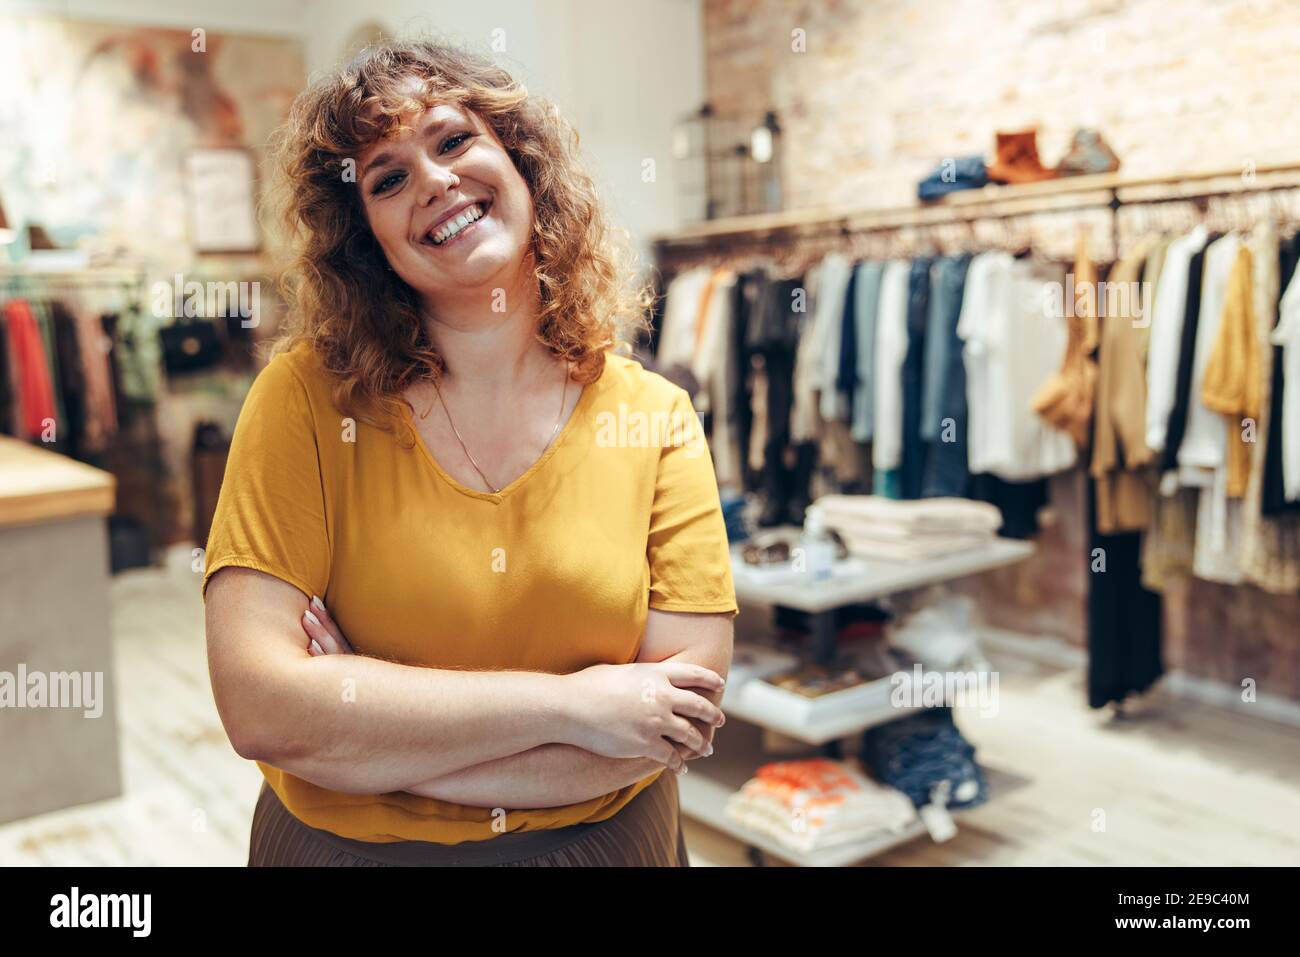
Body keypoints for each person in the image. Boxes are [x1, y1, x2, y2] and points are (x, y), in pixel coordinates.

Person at [202, 37, 738, 866]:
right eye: (387, 178)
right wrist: (579, 707)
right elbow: (261, 709)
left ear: (522, 162)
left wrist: (367, 736)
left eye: (453, 140)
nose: (434, 181)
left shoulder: (655, 417)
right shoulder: (304, 399)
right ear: (365, 236)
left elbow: (677, 721)